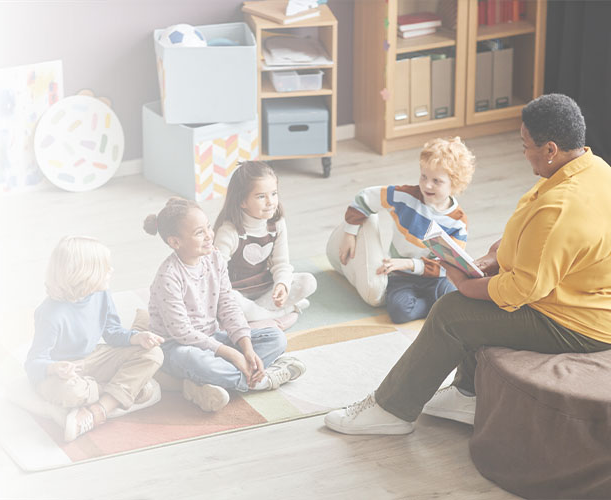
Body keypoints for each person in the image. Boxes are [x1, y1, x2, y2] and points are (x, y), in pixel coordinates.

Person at [324, 93, 611, 436]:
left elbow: (522, 289)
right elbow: (539, 240)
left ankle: (391, 411)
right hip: (576, 293)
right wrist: (493, 257)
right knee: (467, 303)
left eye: (525, 145)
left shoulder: (561, 206)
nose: (523, 153)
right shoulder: (593, 170)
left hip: (577, 322)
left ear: (550, 150)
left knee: (452, 312)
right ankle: (466, 394)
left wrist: (466, 284)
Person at [144, 197, 306, 413]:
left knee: (276, 338)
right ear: (175, 242)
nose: (209, 235)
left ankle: (212, 382)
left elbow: (228, 305)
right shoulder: (169, 277)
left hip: (212, 337)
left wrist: (246, 348)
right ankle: (261, 380)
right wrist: (233, 355)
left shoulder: (214, 257)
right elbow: (181, 333)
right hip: (176, 347)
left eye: (208, 227)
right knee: (193, 359)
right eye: (199, 232)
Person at [25, 236, 165, 442]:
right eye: (105, 267)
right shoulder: (50, 314)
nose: (111, 271)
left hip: (95, 357)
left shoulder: (102, 294)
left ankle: (99, 409)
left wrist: (137, 338)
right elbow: (33, 362)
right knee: (69, 393)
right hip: (65, 373)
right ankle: (123, 390)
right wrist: (54, 369)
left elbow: (112, 332)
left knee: (153, 354)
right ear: (85, 274)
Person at [326, 137, 476, 323]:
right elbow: (365, 198)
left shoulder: (458, 222)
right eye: (424, 177)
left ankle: (438, 306)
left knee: (453, 297)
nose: (427, 185)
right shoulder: (405, 197)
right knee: (399, 311)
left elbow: (449, 265)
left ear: (455, 184)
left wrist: (409, 264)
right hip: (401, 276)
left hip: (435, 278)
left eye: (437, 181)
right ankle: (437, 308)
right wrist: (350, 232)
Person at [214, 161, 317, 330]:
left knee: (308, 281)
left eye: (274, 194)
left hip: (265, 287)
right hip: (237, 291)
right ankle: (279, 314)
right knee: (226, 298)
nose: (270, 202)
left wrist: (282, 285)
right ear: (242, 201)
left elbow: (281, 263)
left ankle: (256, 317)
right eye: (261, 196)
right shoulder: (229, 232)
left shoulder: (277, 223)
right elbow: (217, 277)